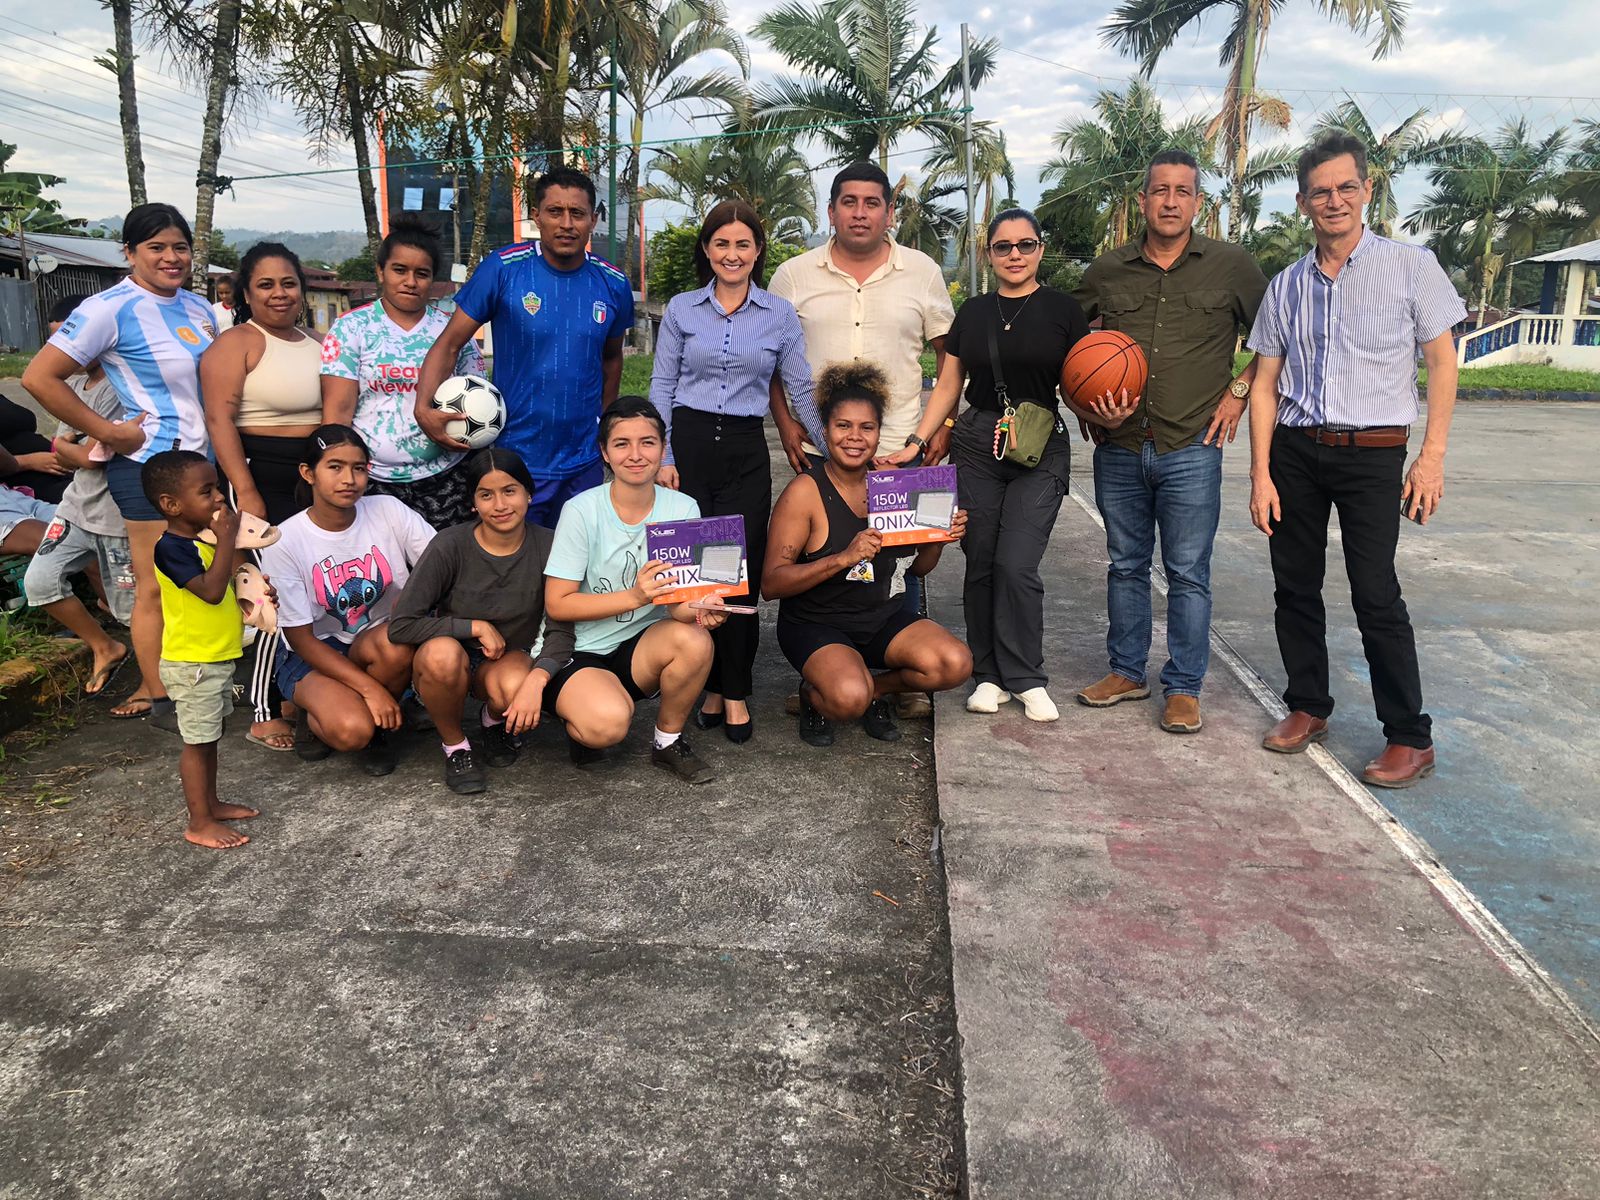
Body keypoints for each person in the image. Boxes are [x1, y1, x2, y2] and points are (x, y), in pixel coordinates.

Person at [1246, 133, 1464, 789]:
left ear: (1367, 191)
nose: (1334, 200)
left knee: (1375, 592)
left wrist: (1431, 457)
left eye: (1346, 187)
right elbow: (1264, 384)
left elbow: (1442, 361)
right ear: (1302, 202)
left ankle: (1409, 737)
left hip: (1373, 454)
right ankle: (1308, 705)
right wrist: (1260, 474)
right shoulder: (1286, 286)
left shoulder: (1410, 267)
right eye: (1321, 191)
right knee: (1294, 586)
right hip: (1296, 451)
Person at [889, 208, 1116, 722]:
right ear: (988, 254)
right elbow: (950, 383)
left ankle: (1027, 677)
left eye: (1025, 245)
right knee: (982, 560)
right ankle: (988, 675)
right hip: (977, 443)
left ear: (1040, 250)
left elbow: (1079, 382)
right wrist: (918, 440)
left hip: (1039, 444)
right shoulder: (973, 312)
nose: (1015, 254)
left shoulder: (1063, 311)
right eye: (1003, 246)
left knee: (1017, 563)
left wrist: (1103, 412)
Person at [1071, 149, 1269, 735]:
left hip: (1192, 445)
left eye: (1183, 191)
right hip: (1120, 446)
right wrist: (1083, 403)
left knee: (1187, 572)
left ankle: (1183, 687)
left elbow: (1277, 337)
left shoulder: (1231, 266)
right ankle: (1127, 671)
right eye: (1160, 190)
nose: (1171, 201)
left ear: (1198, 202)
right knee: (1125, 565)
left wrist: (1238, 392)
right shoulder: (1107, 272)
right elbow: (1066, 343)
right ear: (1142, 201)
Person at [768, 160, 956, 720]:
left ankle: (892, 677)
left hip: (900, 447)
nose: (860, 212)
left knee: (899, 564)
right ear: (831, 211)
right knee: (824, 548)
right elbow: (770, 360)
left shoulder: (921, 271)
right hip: (824, 445)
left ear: (889, 212)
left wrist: (935, 430)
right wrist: (785, 422)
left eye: (872, 203)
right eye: (848, 202)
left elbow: (950, 360)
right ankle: (827, 665)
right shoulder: (794, 276)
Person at [22, 202, 216, 726]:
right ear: (129, 253)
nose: (171, 257)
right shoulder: (108, 308)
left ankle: (202, 677)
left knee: (204, 576)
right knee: (154, 584)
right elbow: (39, 377)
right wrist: (108, 432)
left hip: (204, 465)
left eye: (180, 247)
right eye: (156, 247)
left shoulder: (199, 307)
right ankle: (160, 695)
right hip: (149, 467)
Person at [648, 199, 825, 741]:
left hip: (746, 451)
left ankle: (736, 690)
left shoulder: (779, 315)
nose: (732, 253)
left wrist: (836, 451)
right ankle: (706, 685)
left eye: (742, 244)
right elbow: (662, 385)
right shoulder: (682, 309)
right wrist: (664, 457)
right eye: (721, 243)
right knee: (692, 574)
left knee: (737, 574)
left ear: (757, 250)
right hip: (690, 447)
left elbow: (798, 388)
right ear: (707, 249)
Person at [763, 363, 973, 747]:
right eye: (843, 426)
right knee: (847, 699)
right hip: (817, 624)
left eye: (867, 427)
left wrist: (938, 540)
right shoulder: (805, 492)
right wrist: (842, 558)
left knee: (954, 663)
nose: (855, 438)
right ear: (825, 430)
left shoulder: (895, 485)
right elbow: (772, 584)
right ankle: (814, 694)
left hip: (880, 619)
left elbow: (917, 570)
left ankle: (875, 690)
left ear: (879, 434)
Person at [417, 166, 634, 526]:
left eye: (577, 213)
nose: (567, 224)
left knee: (576, 556)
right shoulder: (503, 269)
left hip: (583, 461)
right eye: (555, 211)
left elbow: (611, 360)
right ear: (537, 216)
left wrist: (604, 426)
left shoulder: (613, 283)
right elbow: (449, 343)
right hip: (515, 458)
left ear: (593, 220)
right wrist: (423, 408)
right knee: (517, 557)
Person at [542, 396, 725, 784]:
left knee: (696, 640)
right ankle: (582, 713)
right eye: (622, 444)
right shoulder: (581, 510)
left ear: (663, 447)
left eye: (648, 442)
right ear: (605, 453)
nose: (636, 455)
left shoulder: (683, 508)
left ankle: (667, 741)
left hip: (639, 647)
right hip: (579, 649)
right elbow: (557, 605)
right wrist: (635, 597)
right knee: (607, 726)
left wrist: (703, 607)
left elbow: (678, 607)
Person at [388, 448, 577, 795]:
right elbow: (401, 624)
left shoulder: (550, 545)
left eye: (510, 491)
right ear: (473, 503)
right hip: (452, 658)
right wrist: (472, 626)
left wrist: (539, 678)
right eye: (486, 495)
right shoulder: (449, 545)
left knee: (517, 684)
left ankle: (492, 720)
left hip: (508, 658)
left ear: (529, 493)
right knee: (441, 656)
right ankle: (456, 746)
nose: (500, 505)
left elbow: (562, 627)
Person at [202, 241, 325, 751]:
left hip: (311, 474)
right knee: (271, 592)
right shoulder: (236, 344)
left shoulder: (318, 341)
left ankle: (296, 691)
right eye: (266, 284)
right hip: (258, 473)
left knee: (315, 583)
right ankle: (263, 709)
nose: (279, 293)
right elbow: (218, 421)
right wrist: (246, 492)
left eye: (288, 283)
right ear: (245, 294)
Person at [260, 425, 435, 776]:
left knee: (397, 643)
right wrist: (371, 690)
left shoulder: (387, 509)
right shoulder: (284, 540)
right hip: (314, 650)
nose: (349, 479)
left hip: (377, 641)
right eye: (335, 467)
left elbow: (440, 563)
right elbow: (300, 639)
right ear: (308, 473)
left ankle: (378, 731)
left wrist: (414, 599)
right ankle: (322, 713)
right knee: (352, 730)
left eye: (358, 468)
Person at [321, 218, 486, 529]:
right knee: (380, 562)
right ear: (380, 271)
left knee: (443, 559)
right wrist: (336, 475)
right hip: (373, 481)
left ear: (433, 279)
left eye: (422, 273)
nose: (411, 281)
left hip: (446, 478)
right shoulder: (351, 328)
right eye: (400, 270)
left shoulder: (452, 331)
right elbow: (337, 416)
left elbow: (478, 401)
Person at [141, 450, 258, 849]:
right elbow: (210, 591)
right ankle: (199, 821)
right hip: (192, 663)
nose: (220, 497)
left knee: (210, 737)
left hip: (214, 658)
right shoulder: (171, 548)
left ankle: (211, 803)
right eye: (207, 491)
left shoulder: (202, 543)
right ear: (171, 505)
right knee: (197, 743)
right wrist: (227, 539)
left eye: (218, 488)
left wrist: (257, 595)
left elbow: (227, 588)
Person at [23, 295, 136, 697]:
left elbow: (88, 456)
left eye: (71, 341)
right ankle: (105, 646)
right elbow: (62, 450)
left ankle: (161, 682)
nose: (66, 351)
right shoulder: (70, 384)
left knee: (131, 610)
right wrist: (73, 449)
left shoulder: (120, 387)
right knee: (40, 583)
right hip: (74, 509)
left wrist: (73, 449)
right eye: (57, 342)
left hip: (115, 516)